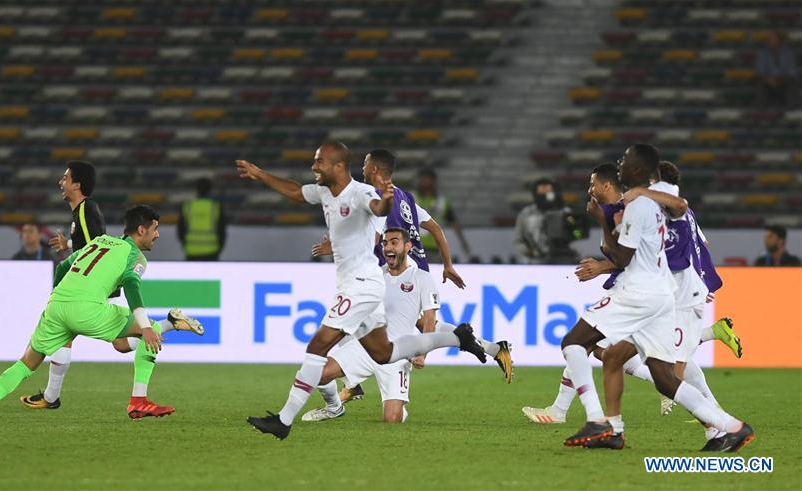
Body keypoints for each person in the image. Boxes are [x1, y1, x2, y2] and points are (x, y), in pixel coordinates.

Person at [236, 142, 488, 440]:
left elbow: (377, 208)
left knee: (318, 346)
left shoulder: (361, 192)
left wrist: (386, 199)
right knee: (385, 353)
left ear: (339, 166)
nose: (314, 166)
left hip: (361, 286)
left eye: (320, 162)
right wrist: (260, 174)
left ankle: (283, 420)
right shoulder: (324, 191)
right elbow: (294, 191)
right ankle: (457, 337)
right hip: (363, 285)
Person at [559, 144, 753, 452]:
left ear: (637, 170)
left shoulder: (639, 203)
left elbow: (623, 255)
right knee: (659, 375)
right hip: (663, 293)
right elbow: (671, 206)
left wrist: (601, 221)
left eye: (625, 160)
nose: (620, 163)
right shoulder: (640, 198)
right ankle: (732, 426)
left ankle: (598, 421)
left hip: (639, 290)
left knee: (573, 342)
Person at [0, 205, 204, 422]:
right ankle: (140, 398)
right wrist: (147, 327)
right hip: (87, 310)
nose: (158, 234)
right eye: (155, 229)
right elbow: (131, 284)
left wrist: (58, 297)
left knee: (27, 363)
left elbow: (62, 266)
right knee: (147, 330)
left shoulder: (99, 241)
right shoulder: (135, 256)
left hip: (56, 307)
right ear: (141, 230)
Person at [303, 228, 513, 423]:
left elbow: (429, 319)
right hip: (365, 348)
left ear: (407, 246)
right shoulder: (375, 275)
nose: (387, 247)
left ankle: (398, 406)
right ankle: (334, 407)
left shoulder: (420, 278)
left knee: (391, 419)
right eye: (385, 243)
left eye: (394, 242)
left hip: (398, 354)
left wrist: (422, 353)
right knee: (318, 373)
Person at [21, 160, 110, 410]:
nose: (61, 182)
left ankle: (165, 324)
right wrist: (70, 246)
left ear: (77, 185)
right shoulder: (81, 212)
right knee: (64, 335)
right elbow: (92, 244)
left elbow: (99, 247)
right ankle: (51, 397)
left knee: (125, 343)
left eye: (65, 178)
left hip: (96, 286)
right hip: (92, 284)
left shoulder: (85, 208)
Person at [413, 168, 472, 264]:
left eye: (427, 179)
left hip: (434, 247)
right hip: (414, 246)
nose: (424, 182)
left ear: (433, 181)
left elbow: (453, 223)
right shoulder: (413, 198)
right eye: (422, 179)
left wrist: (463, 242)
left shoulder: (442, 202)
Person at [513, 178, 578, 264]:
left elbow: (577, 233)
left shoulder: (566, 212)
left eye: (548, 192)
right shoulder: (526, 214)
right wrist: (528, 252)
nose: (544, 195)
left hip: (562, 260)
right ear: (535, 194)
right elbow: (518, 239)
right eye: (541, 192)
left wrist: (571, 249)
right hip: (534, 261)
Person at [178, 177, 226, 261]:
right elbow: (222, 231)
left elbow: (180, 230)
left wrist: (186, 245)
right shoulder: (216, 207)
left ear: (197, 189)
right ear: (210, 189)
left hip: (191, 251)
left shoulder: (188, 206)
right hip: (212, 251)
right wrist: (219, 249)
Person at [755, 31, 799, 107]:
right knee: (761, 84)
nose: (770, 41)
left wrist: (781, 79)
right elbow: (760, 70)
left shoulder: (788, 53)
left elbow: (792, 71)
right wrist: (769, 79)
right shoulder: (762, 53)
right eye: (769, 39)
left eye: (773, 39)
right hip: (769, 79)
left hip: (784, 79)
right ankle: (761, 109)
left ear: (779, 40)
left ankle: (791, 108)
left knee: (792, 82)